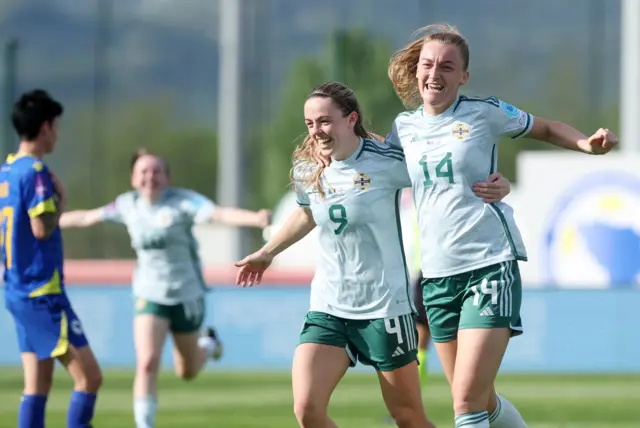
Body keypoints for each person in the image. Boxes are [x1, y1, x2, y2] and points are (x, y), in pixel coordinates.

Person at [235, 82, 512, 428]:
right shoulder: (308, 169)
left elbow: (445, 174)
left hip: (385, 309)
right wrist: (267, 252)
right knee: (307, 409)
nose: (316, 131)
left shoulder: (387, 162)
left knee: (408, 417)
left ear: (351, 119)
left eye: (325, 121)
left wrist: (498, 184)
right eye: (309, 123)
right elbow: (307, 212)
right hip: (329, 306)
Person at [382, 24, 618, 428]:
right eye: (427, 64)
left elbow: (544, 126)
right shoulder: (403, 129)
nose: (434, 73)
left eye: (447, 66)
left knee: (467, 404)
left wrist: (585, 145)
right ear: (416, 69)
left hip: (488, 265)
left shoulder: (484, 112)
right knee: (479, 400)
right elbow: (374, 174)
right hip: (437, 277)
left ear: (464, 77)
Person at [59, 149, 271, 428]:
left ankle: (208, 344)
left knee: (188, 370)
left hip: (187, 295)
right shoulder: (126, 205)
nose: (151, 177)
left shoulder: (183, 202)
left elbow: (218, 214)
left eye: (157, 171)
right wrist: (48, 221)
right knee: (147, 361)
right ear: (134, 179)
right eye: (144, 172)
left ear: (167, 177)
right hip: (149, 294)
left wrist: (256, 218)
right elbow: (87, 218)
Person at [1, 89, 102, 428]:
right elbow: (42, 228)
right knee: (89, 378)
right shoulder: (35, 172)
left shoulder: (6, 172)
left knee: (37, 384)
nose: (57, 133)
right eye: (56, 125)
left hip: (16, 291)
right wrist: (62, 198)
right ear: (46, 127)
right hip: (42, 292)